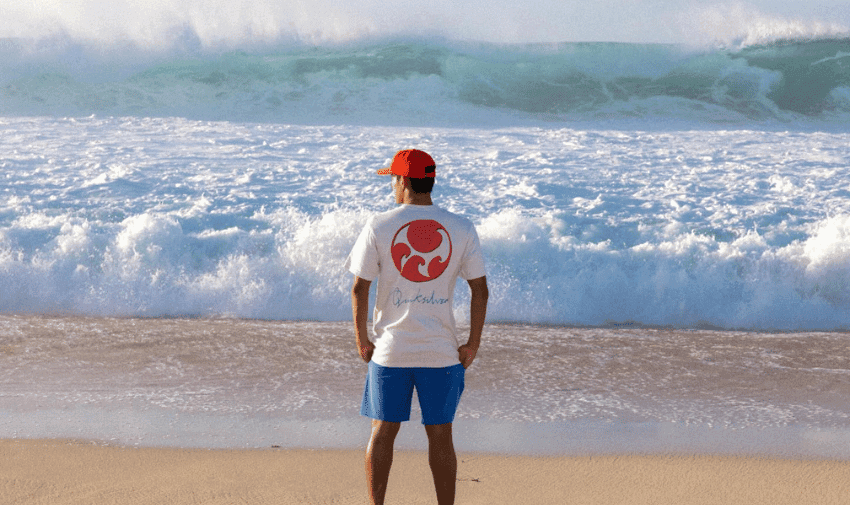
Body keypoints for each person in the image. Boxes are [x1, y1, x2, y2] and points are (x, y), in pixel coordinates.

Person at [345, 149, 489, 505]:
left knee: (382, 432)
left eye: (393, 179)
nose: (392, 185)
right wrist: (472, 345)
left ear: (404, 181)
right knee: (441, 436)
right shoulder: (461, 226)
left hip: (390, 352)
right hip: (441, 354)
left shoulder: (380, 224)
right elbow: (480, 290)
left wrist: (363, 341)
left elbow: (359, 287)